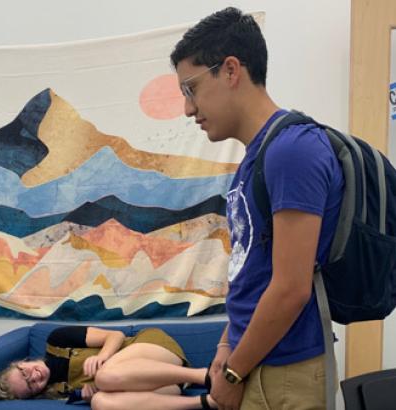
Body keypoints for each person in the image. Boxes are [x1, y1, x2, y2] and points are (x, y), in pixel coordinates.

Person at [170, 7, 343, 410]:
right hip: (255, 363)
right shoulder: (258, 158)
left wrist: (234, 372)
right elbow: (254, 272)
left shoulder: (292, 150)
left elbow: (290, 288)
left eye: (191, 88)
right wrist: (227, 344)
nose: (188, 109)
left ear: (231, 70)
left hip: (283, 373)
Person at [0, 325, 218, 409]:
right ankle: (207, 402)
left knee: (104, 376)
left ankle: (204, 376)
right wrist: (92, 396)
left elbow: (115, 335)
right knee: (101, 402)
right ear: (35, 393)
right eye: (30, 386)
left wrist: (104, 357)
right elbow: (118, 387)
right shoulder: (59, 392)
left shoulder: (57, 340)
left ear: (21, 363)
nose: (33, 377)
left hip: (153, 349)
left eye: (23, 372)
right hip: (162, 384)